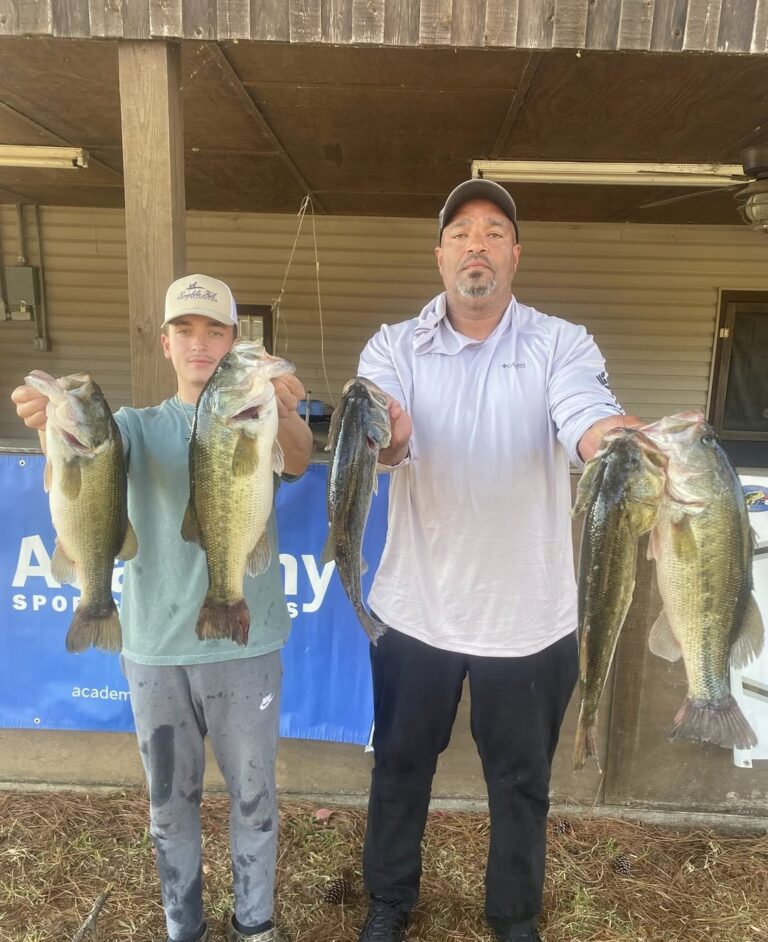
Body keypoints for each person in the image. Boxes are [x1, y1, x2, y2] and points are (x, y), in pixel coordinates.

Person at [354, 180, 643, 942]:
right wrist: (390, 434)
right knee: (399, 769)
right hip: (416, 607)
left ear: (515, 254)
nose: (475, 245)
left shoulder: (560, 342)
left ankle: (514, 920)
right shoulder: (393, 345)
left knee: (521, 785)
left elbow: (583, 412)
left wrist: (608, 438)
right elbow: (384, 434)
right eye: (460, 233)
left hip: (530, 617)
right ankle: (388, 903)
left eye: (493, 232)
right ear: (439, 254)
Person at [12, 274, 314, 942]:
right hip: (151, 645)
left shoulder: (260, 412)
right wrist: (45, 425)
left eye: (215, 332)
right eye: (186, 331)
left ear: (233, 340)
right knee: (169, 808)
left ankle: (255, 925)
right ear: (166, 344)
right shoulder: (128, 428)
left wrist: (286, 411)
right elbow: (71, 479)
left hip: (246, 640)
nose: (200, 344)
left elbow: (297, 460)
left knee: (255, 802)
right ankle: (185, 926)